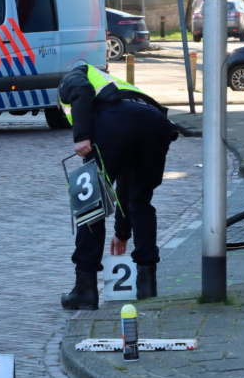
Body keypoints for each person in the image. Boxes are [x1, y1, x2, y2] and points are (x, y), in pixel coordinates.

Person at [57, 60, 177, 308]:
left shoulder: (74, 75)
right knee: (140, 200)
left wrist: (81, 136)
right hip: (156, 124)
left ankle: (85, 291)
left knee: (90, 204)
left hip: (116, 123)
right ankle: (146, 286)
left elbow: (80, 91)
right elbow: (125, 184)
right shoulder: (114, 85)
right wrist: (122, 231)